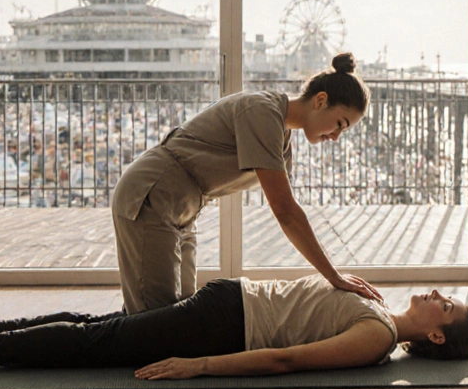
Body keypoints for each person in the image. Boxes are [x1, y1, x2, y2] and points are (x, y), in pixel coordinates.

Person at [111, 52, 380, 314]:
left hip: (180, 209)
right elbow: (285, 210)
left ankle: (77, 335)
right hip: (152, 195)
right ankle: (71, 339)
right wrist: (334, 277)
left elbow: (288, 209)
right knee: (152, 323)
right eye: (340, 124)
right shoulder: (263, 112)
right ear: (320, 101)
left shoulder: (280, 137)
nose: (335, 136)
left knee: (178, 315)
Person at [0, 275, 468, 377]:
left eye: (447, 306)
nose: (439, 296)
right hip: (226, 310)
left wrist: (197, 364)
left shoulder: (377, 339)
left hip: (227, 320)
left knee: (104, 328)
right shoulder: (374, 305)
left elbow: (286, 360)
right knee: (102, 338)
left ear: (436, 336)